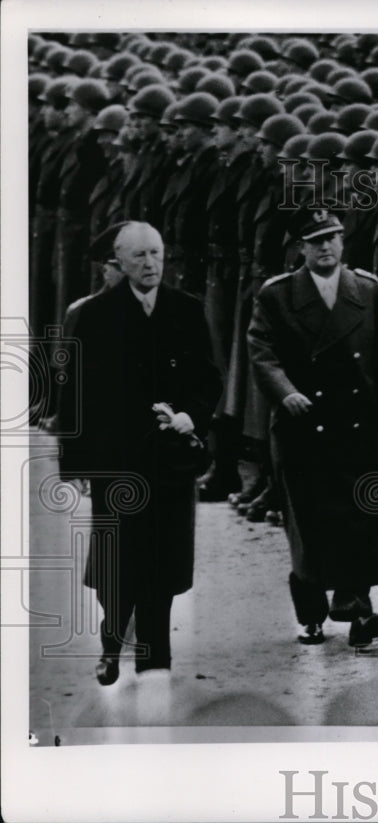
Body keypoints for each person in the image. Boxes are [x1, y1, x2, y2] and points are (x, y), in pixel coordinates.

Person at [58, 221, 221, 686]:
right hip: (117, 461)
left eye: (156, 254)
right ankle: (112, 644)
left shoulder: (186, 310)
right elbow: (77, 396)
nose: (150, 265)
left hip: (170, 458)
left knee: (163, 559)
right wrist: (79, 465)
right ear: (120, 262)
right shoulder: (96, 314)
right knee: (118, 559)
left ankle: (154, 659)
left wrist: (192, 415)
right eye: (139, 257)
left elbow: (208, 378)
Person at [246, 208, 378, 646]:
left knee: (361, 522)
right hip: (303, 427)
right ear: (301, 248)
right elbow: (262, 352)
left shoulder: (367, 290)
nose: (327, 247)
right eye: (316, 241)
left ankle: (358, 610)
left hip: (357, 427)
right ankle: (311, 614)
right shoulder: (277, 295)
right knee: (308, 524)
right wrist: (285, 391)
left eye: (333, 238)